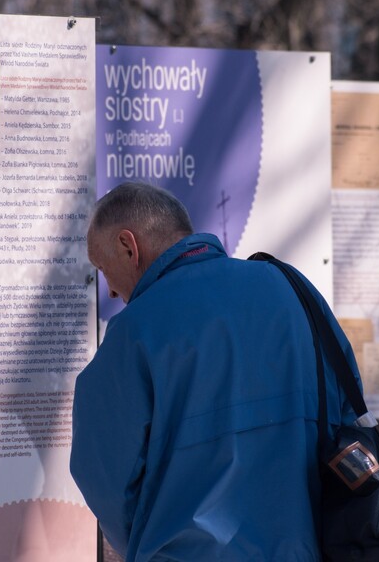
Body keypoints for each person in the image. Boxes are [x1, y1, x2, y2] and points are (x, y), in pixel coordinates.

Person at [70, 182, 361, 561]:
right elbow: (349, 410)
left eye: (103, 268)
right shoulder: (293, 289)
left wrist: (146, 544)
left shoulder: (134, 331)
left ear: (129, 246)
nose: (109, 291)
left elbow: (105, 478)